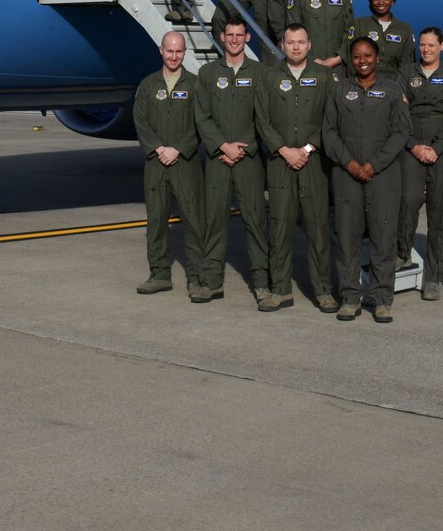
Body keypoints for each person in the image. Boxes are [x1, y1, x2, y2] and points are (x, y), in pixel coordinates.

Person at [321, 37, 411, 323]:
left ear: (376, 57)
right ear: (350, 59)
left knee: (384, 239)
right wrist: (348, 162)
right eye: (357, 56)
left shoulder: (392, 91)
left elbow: (401, 133)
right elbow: (329, 132)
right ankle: (349, 298)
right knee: (347, 238)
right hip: (346, 175)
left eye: (368, 55)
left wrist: (374, 164)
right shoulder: (339, 91)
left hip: (383, 176)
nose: (362, 60)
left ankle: (382, 298)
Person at [253, 23, 337, 312]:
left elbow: (330, 119)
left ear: (309, 44)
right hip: (280, 163)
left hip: (314, 162)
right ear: (282, 44)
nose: (296, 47)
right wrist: (283, 150)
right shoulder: (269, 77)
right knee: (280, 227)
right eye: (291, 42)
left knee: (318, 229)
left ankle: (324, 290)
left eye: (301, 41)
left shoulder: (324, 76)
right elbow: (262, 119)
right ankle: (280, 290)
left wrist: (308, 148)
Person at [132, 31, 216, 301]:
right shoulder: (147, 85)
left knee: (194, 220)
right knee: (156, 220)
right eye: (169, 51)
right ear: (161, 50)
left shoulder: (195, 85)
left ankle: (198, 279)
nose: (174, 56)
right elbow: (140, 121)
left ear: (184, 52)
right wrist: (159, 148)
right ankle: (158, 274)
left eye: (179, 51)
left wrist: (178, 148)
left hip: (185, 162)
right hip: (156, 162)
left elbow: (201, 124)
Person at [193, 17, 270, 306]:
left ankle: (262, 284)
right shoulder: (208, 72)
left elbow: (264, 117)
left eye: (240, 35)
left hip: (248, 159)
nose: (235, 40)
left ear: (247, 38)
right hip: (217, 159)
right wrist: (223, 146)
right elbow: (202, 115)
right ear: (222, 38)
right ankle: (212, 282)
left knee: (255, 221)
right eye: (230, 35)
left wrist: (244, 148)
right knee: (214, 220)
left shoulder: (261, 73)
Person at [397, 25, 443, 301]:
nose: (425, 50)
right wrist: (414, 145)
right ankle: (401, 255)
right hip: (412, 147)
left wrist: (436, 148)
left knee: (440, 214)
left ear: (442, 46)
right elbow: (400, 112)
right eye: (422, 45)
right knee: (408, 201)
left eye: (431, 45)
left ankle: (434, 276)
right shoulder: (406, 73)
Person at [360, 0, 414, 75]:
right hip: (364, 85)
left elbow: (407, 65)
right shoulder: (359, 24)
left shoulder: (404, 29)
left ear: (392, 1)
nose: (381, 2)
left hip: (394, 87)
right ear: (371, 1)